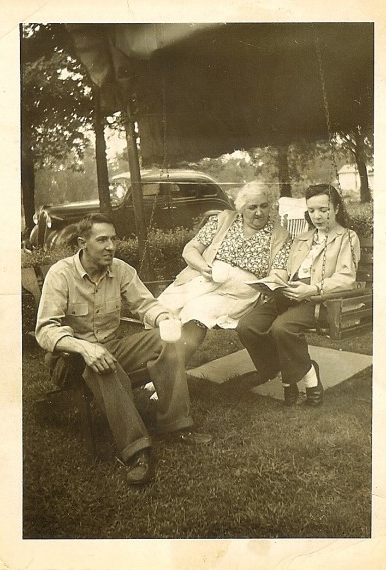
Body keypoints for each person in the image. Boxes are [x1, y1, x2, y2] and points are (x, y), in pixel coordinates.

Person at [35, 213, 212, 486]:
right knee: (104, 362)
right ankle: (137, 450)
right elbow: (46, 330)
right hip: (70, 358)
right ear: (83, 243)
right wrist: (85, 349)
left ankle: (176, 425)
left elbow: (146, 304)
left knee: (169, 340)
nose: (111, 246)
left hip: (112, 347)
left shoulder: (120, 270)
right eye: (102, 239)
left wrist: (164, 318)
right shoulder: (61, 274)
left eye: (113, 239)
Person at [236, 184, 360, 407]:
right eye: (312, 211)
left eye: (324, 209)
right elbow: (287, 268)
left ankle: (309, 378)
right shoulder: (302, 238)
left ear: (337, 208)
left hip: (318, 299)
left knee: (282, 328)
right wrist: (275, 281)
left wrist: (313, 289)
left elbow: (346, 278)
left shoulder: (347, 238)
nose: (317, 216)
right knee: (247, 326)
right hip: (288, 294)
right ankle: (286, 371)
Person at [158, 181, 292, 364]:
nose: (259, 212)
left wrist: (268, 287)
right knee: (165, 308)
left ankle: (171, 372)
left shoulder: (280, 235)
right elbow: (190, 249)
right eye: (252, 207)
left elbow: (279, 273)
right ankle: (156, 367)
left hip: (239, 290)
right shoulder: (224, 220)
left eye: (264, 206)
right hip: (207, 277)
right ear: (242, 208)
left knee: (196, 312)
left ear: (271, 206)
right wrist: (202, 266)